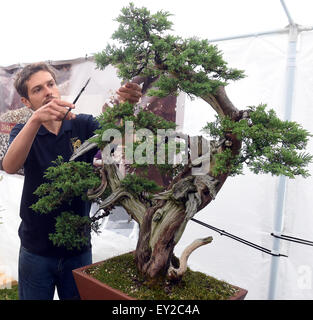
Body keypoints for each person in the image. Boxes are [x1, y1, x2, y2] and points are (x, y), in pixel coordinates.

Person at [2, 62, 142, 300]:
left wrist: (126, 107)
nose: (48, 91)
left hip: (77, 247)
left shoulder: (83, 124)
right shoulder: (24, 130)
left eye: (50, 84)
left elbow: (120, 140)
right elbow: (10, 165)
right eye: (37, 90)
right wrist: (35, 121)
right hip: (35, 249)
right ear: (26, 102)